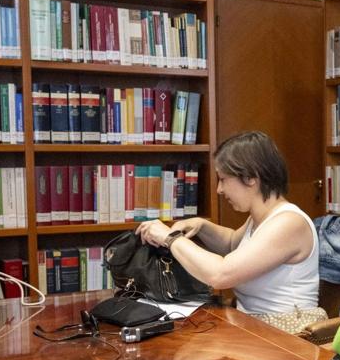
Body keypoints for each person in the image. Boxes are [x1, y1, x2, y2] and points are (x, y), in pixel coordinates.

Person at [135, 131, 324, 330]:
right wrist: (202, 225)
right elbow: (233, 244)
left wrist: (170, 238)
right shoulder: (261, 217)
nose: (219, 189)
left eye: (223, 179)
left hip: (287, 334)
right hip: (256, 324)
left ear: (251, 177)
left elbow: (221, 274)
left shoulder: (288, 224)